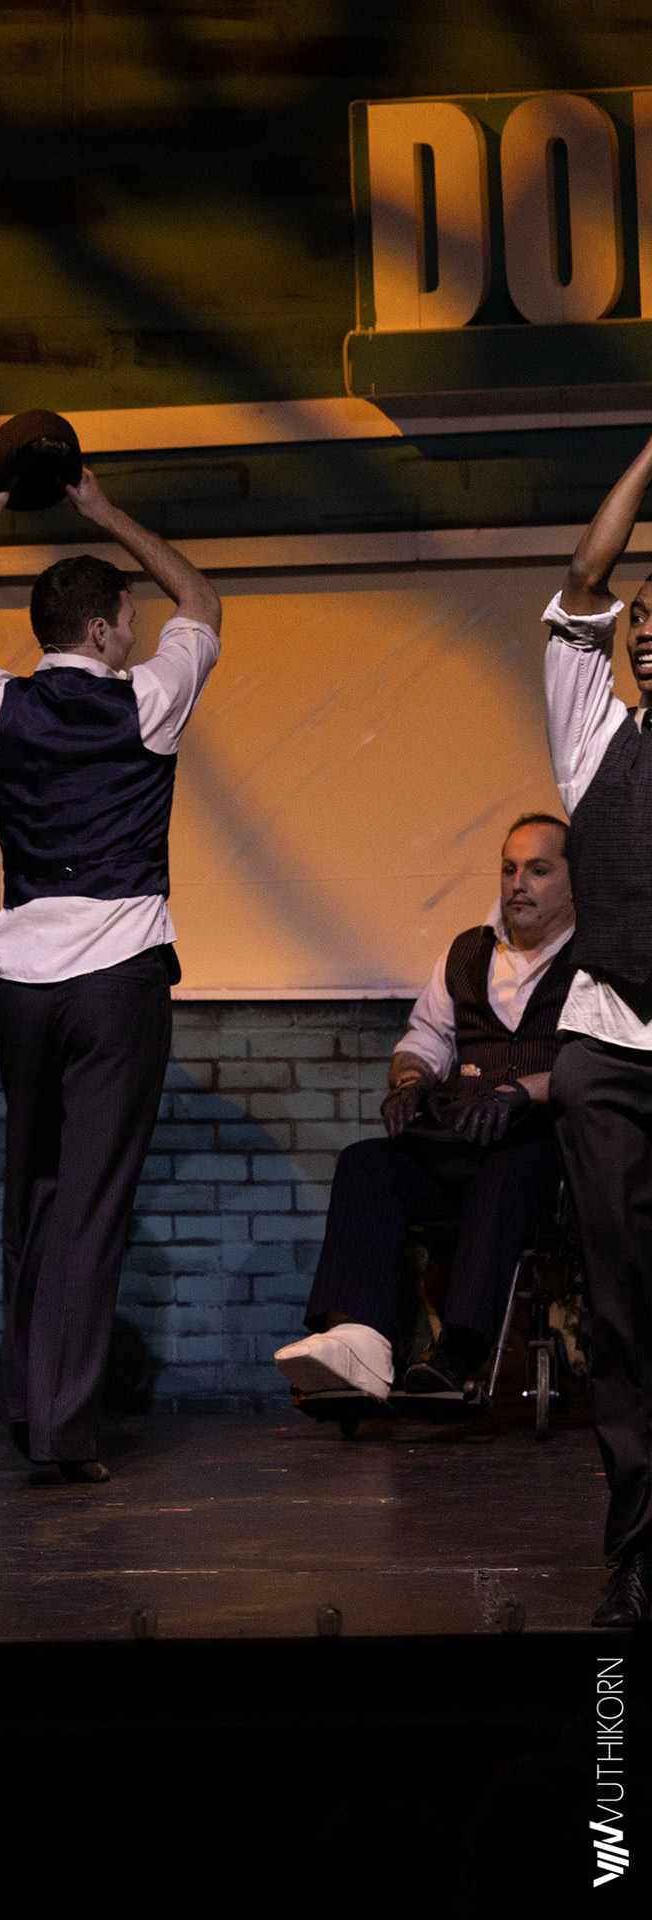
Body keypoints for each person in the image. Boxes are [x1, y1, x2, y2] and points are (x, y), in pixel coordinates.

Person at [0, 465, 223, 1483]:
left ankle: (28, 1402)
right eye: (128, 620)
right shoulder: (151, 699)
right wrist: (105, 510)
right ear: (108, 628)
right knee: (92, 1204)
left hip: (23, 985)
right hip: (116, 981)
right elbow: (201, 599)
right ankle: (64, 1433)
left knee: (33, 1188)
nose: (138, 631)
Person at [273, 816, 576, 1415]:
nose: (518, 883)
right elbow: (425, 1039)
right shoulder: (466, 952)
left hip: (546, 1150)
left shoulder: (596, 963)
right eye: (509, 868)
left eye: (539, 870)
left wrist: (524, 1092)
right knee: (367, 1164)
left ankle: (456, 1354)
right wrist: (409, 1081)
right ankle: (356, 1343)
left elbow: (602, 1064)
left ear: (575, 879)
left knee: (507, 1172)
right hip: (465, 1137)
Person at [540, 429, 652, 1628]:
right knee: (621, 1310)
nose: (649, 629)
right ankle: (638, 1549)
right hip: (612, 1048)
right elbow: (583, 577)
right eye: (644, 618)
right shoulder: (593, 740)